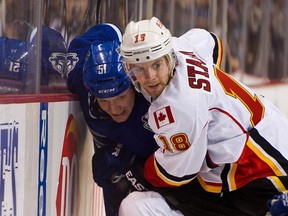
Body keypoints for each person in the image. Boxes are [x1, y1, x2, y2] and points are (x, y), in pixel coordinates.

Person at [119, 17, 288, 216]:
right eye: (140, 68)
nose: (150, 77)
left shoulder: (179, 106)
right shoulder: (181, 47)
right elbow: (212, 42)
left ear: (168, 57)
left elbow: (176, 173)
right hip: (264, 135)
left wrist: (138, 171)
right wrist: (209, 94)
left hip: (261, 165)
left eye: (156, 66)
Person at [67, 23, 183, 216]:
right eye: (104, 101)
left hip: (158, 171)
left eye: (121, 97)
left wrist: (128, 160)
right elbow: (108, 30)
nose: (114, 109)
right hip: (118, 166)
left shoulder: (158, 101)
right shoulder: (79, 75)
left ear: (134, 84)